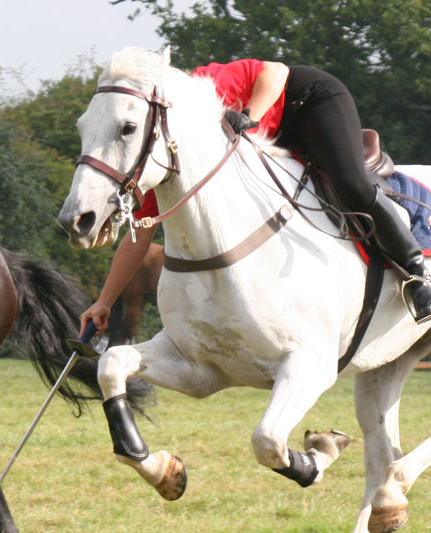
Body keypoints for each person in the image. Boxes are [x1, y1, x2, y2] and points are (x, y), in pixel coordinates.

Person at [79, 59, 431, 335]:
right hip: (277, 136)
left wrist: (250, 117)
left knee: (351, 183)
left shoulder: (206, 87)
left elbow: (276, 73)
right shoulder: (174, 156)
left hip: (309, 100)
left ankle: (417, 276)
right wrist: (104, 301)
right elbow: (139, 233)